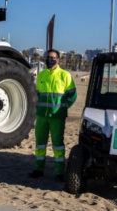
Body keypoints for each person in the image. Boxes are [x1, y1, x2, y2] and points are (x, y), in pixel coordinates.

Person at [29, 49, 77, 181]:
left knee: (58, 145)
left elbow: (73, 95)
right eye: (48, 57)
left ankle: (59, 172)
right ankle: (38, 169)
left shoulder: (65, 75)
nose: (50, 59)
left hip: (57, 117)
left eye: (53, 57)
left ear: (58, 60)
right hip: (42, 116)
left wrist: (62, 108)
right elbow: (38, 94)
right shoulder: (42, 75)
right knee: (40, 144)